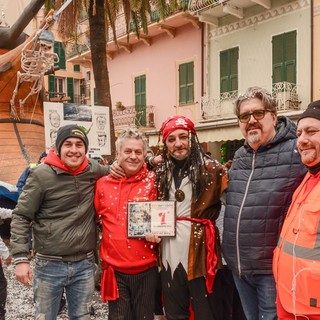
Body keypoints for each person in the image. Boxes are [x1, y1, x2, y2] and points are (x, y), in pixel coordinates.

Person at [222, 86, 307, 320]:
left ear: (274, 116)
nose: (251, 121)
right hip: (239, 268)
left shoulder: (296, 151)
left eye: (258, 114)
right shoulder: (240, 156)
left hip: (272, 270)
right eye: (244, 116)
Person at [10, 124, 109, 320]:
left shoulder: (92, 169)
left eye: (79, 145)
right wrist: (20, 258)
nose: (74, 150)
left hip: (84, 264)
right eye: (68, 144)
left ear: (85, 149)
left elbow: (118, 170)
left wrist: (150, 160)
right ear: (58, 148)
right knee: (45, 316)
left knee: (82, 316)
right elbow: (21, 216)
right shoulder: (41, 175)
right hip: (49, 265)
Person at [146, 115, 228, 320]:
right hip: (168, 249)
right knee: (174, 311)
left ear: (193, 137)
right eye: (171, 139)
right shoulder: (159, 172)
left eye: (183, 137)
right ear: (165, 144)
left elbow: (233, 206)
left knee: (206, 311)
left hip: (201, 250)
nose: (178, 143)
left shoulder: (214, 170)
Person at [94, 128, 159, 320]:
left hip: (147, 269)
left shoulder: (156, 181)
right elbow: (96, 217)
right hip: (115, 271)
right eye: (128, 151)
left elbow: (164, 216)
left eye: (138, 152)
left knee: (144, 317)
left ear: (145, 155)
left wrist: (158, 231)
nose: (133, 156)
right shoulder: (103, 184)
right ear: (118, 154)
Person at [273, 100, 320, 319]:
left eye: (311, 132)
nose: (302, 140)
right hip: (291, 298)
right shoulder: (308, 177)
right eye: (299, 133)